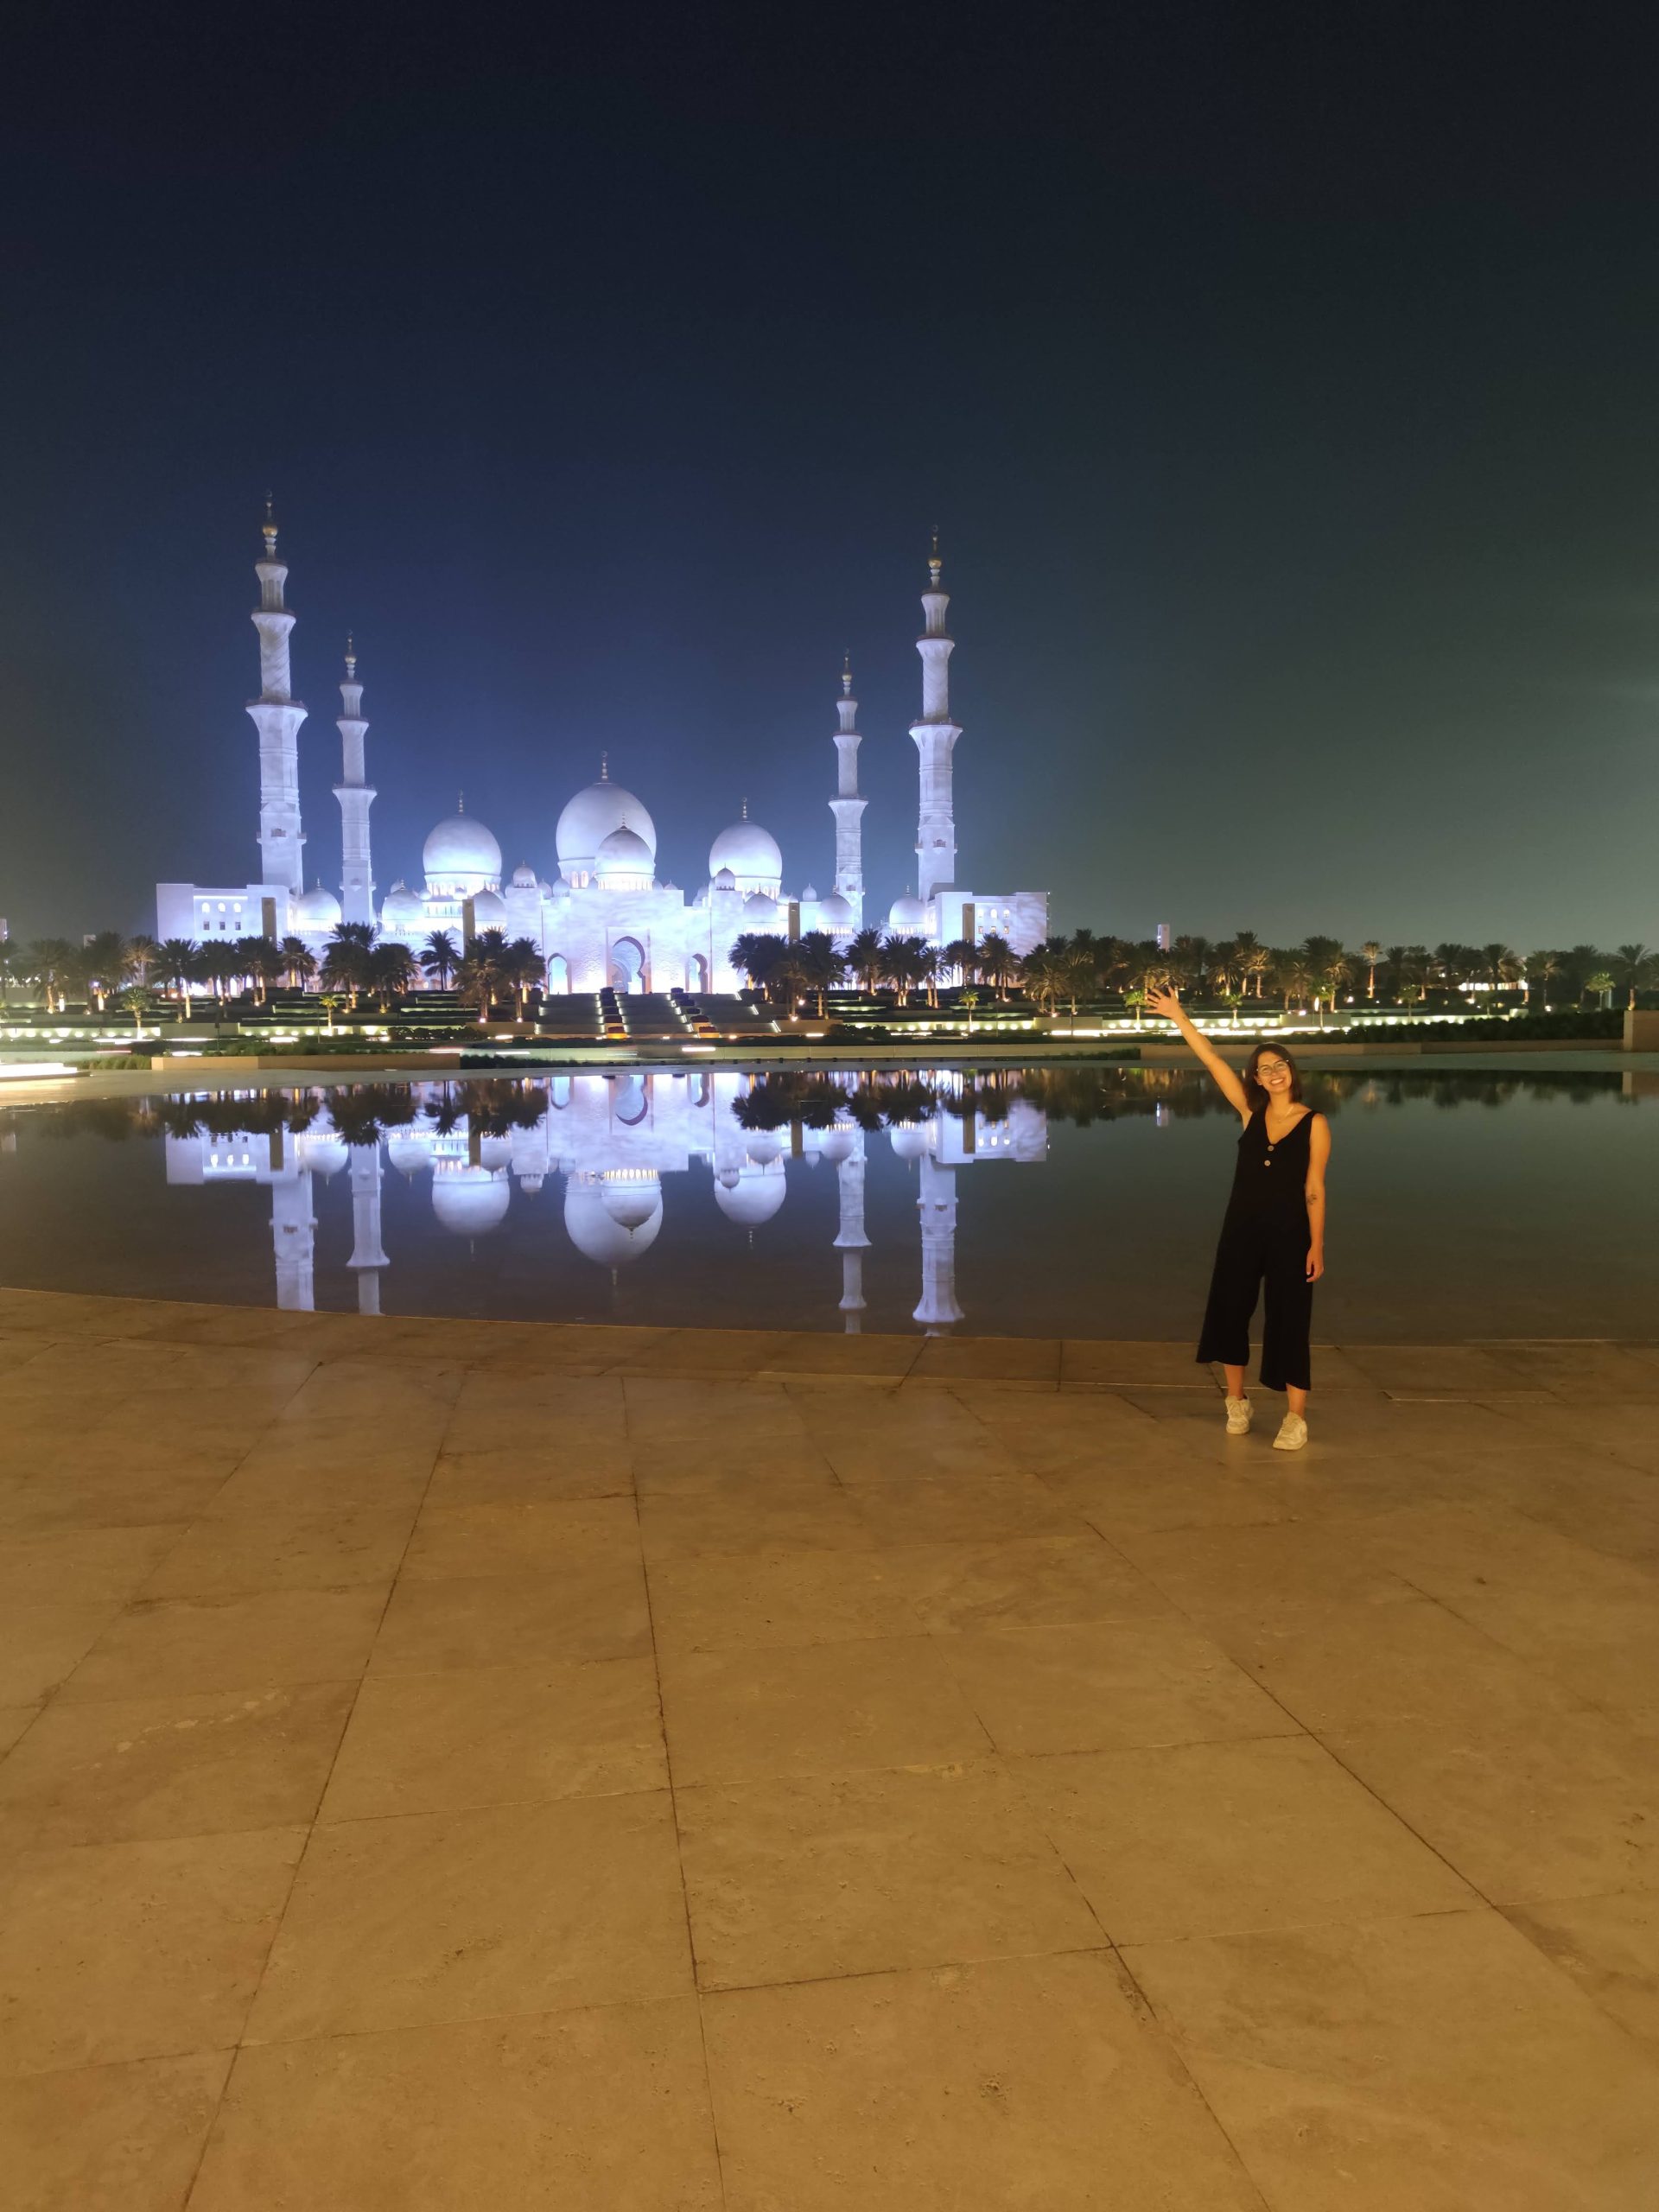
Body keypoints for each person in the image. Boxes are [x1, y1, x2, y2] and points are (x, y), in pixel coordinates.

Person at [1146, 984, 1330, 1450]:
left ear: (1291, 1070)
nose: (1273, 1073)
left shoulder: (1315, 1123)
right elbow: (1211, 1060)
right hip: (1242, 1231)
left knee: (1290, 1321)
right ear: (1257, 1079)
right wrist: (1178, 1016)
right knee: (1231, 1311)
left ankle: (1295, 1418)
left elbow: (1314, 1190)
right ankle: (1236, 1401)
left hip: (1290, 1236)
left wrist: (1317, 1245)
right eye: (1263, 1069)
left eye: (1279, 1064)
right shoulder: (1250, 1113)